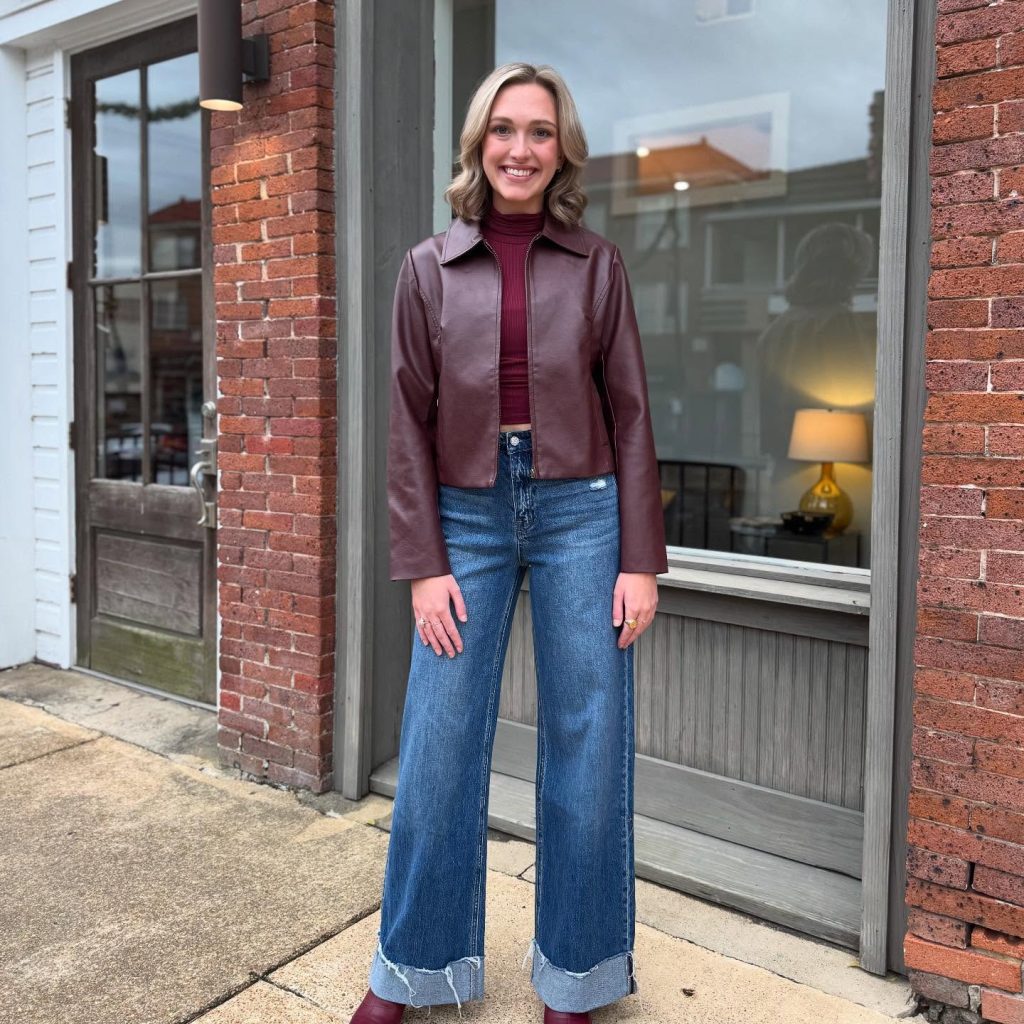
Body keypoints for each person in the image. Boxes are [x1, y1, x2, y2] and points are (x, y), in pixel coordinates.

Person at [350, 61, 667, 1024]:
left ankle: (577, 980)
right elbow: (405, 420)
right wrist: (423, 565)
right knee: (439, 744)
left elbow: (633, 413)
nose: (519, 149)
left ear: (559, 149)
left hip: (583, 510)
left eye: (538, 131)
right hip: (465, 517)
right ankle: (413, 969)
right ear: (476, 145)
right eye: (503, 130)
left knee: (588, 741)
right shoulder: (426, 268)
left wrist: (639, 557)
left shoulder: (597, 264)